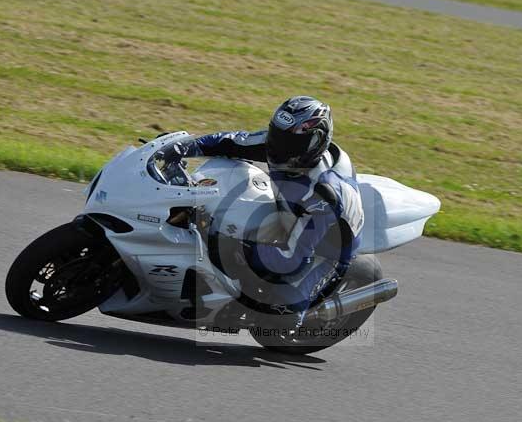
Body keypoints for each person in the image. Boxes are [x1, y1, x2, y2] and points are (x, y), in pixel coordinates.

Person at [152, 96, 364, 326]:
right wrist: (183, 148)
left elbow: (291, 259)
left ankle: (305, 313)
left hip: (325, 248)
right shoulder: (280, 143)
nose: (277, 148)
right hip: (289, 212)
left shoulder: (322, 196)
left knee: (280, 318)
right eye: (276, 136)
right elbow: (229, 142)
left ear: (315, 143)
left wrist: (230, 245)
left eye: (289, 144)